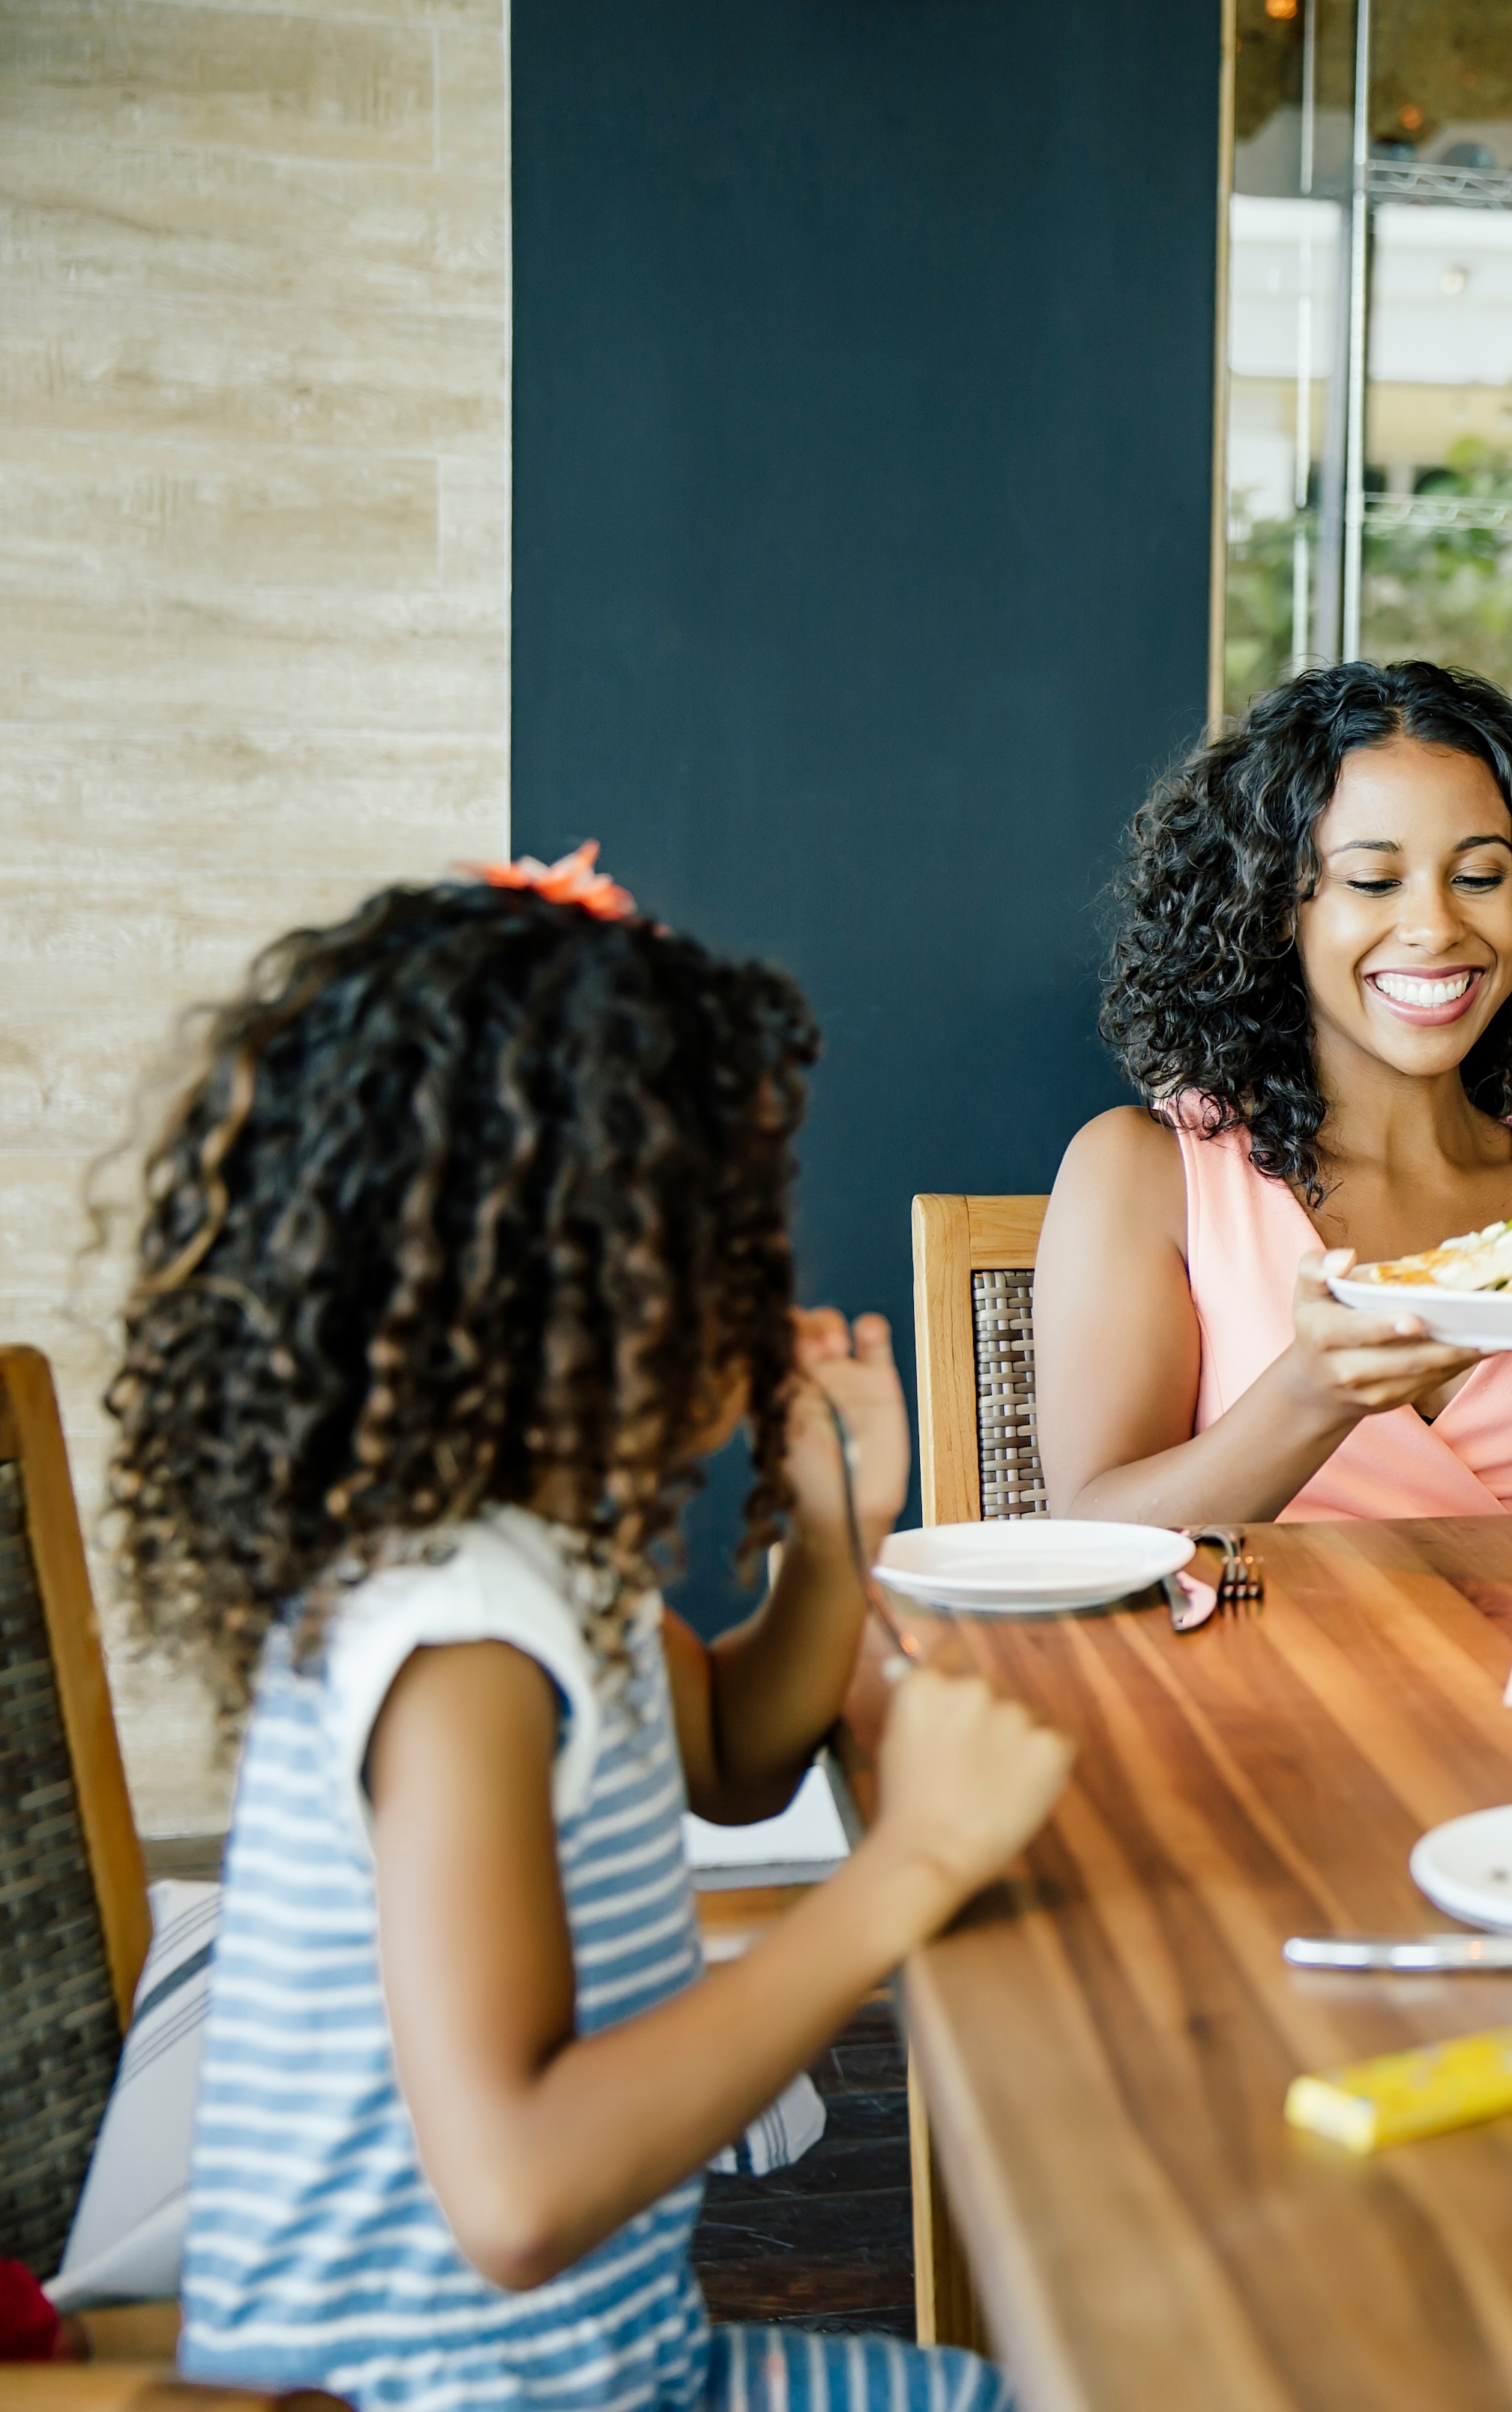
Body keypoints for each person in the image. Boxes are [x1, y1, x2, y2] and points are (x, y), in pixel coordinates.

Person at [108, 852, 1070, 2411]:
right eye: (726, 1247)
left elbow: (733, 1762)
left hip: (605, 2366)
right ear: (546, 1288)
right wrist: (910, 1867)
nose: (768, 1291)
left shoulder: (548, 1564)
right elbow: (517, 2193)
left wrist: (834, 1541)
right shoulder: (461, 1643)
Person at [1037, 661, 1512, 1524]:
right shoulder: (1146, 1175)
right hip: (1248, 1664)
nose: (1434, 927)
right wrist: (1310, 1396)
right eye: (1373, 881)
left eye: (1478, 877)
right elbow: (1089, 1536)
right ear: (1277, 907)